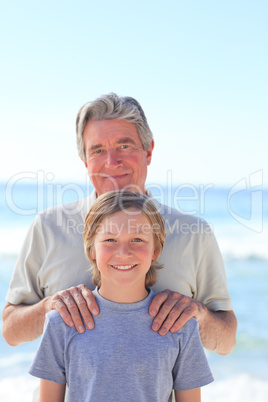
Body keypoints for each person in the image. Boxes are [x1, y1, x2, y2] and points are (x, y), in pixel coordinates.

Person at [2, 93, 237, 356]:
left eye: (124, 146)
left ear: (148, 152)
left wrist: (200, 316)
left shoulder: (195, 234)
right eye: (98, 150)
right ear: (85, 161)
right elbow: (10, 331)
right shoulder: (47, 227)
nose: (112, 162)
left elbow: (226, 341)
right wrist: (48, 308)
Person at [29, 190, 214, 402]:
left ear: (155, 250)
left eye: (137, 239)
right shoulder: (61, 323)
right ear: (92, 250)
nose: (124, 251)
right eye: (110, 239)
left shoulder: (181, 326)